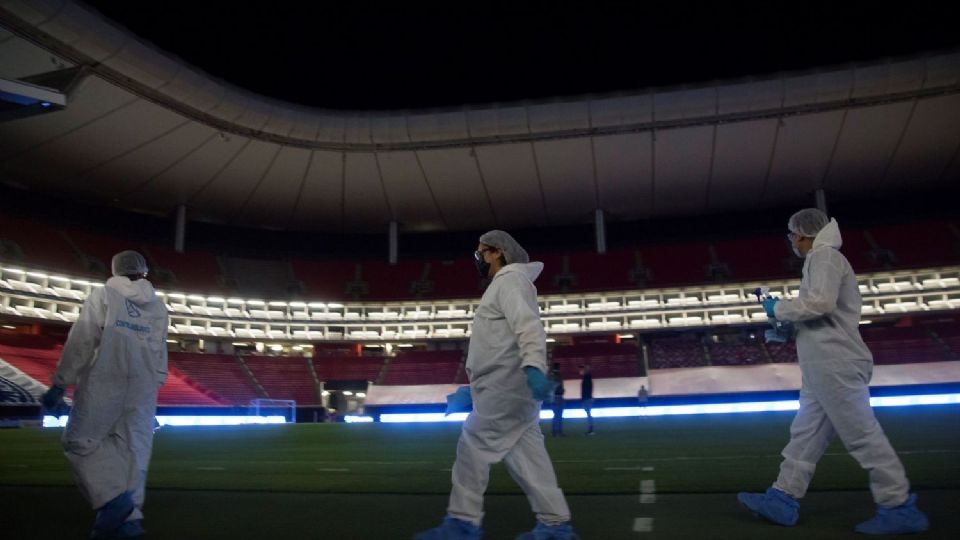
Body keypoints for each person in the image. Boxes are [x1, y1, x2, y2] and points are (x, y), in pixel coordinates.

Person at [737, 209, 928, 535]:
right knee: (805, 436)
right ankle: (782, 498)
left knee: (862, 436)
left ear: (802, 234)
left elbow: (821, 304)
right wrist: (787, 329)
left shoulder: (824, 258)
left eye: (792, 234)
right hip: (823, 364)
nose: (791, 241)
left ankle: (898, 506)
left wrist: (778, 308)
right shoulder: (823, 259)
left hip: (833, 363)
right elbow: (822, 314)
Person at [416, 230, 577, 540]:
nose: (477, 257)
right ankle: (556, 526)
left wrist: (533, 367)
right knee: (528, 456)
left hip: (507, 384)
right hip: (509, 387)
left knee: (473, 444)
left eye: (480, 251)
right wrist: (472, 391)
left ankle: (462, 524)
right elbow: (498, 344)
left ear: (496, 252)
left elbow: (528, 326)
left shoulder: (510, 282)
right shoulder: (509, 284)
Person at [41, 251, 169, 540]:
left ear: (115, 270)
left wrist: (61, 382)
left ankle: (113, 499)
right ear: (143, 272)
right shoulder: (159, 308)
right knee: (135, 451)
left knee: (79, 441)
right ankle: (130, 520)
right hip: (143, 386)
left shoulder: (104, 296)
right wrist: (153, 386)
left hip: (106, 378)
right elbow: (160, 351)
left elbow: (83, 338)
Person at [550, 362, 565, 437]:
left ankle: (555, 431)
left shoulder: (552, 376)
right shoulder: (558, 376)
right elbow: (558, 386)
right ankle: (558, 431)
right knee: (558, 415)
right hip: (558, 397)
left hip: (554, 397)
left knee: (556, 415)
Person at [579, 364, 594, 435]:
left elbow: (585, 389)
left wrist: (583, 398)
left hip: (587, 398)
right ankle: (590, 429)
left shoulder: (586, 378)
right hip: (588, 398)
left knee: (588, 413)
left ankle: (591, 429)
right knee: (588, 413)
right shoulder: (588, 377)